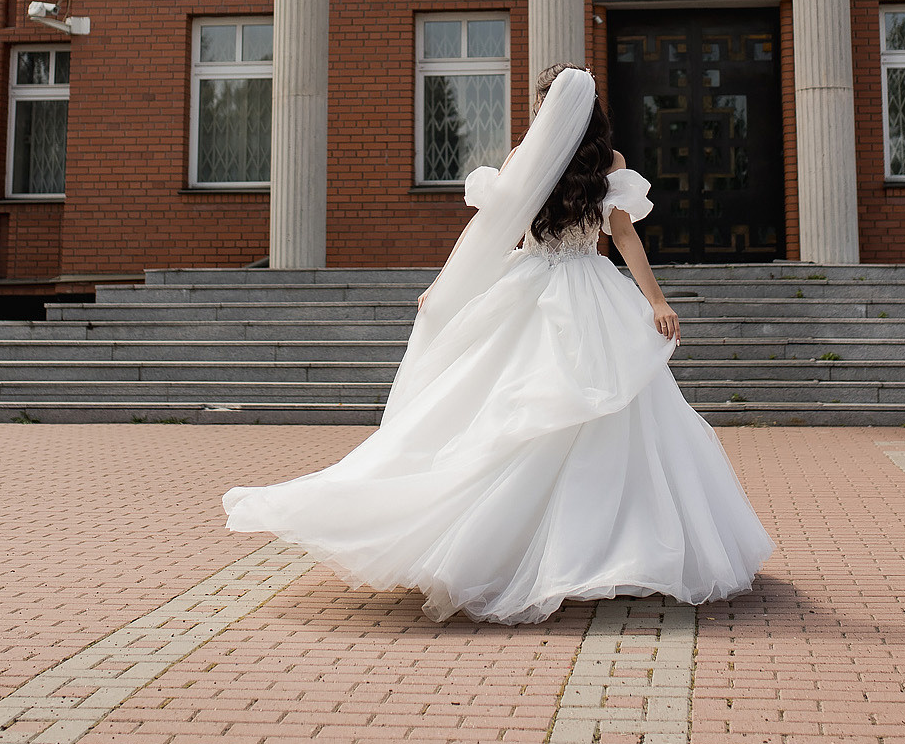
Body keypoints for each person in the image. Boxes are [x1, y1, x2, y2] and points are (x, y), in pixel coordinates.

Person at [223, 63, 773, 624]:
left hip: (532, 283)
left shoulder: (524, 159)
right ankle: (591, 550)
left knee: (524, 411)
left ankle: (539, 551)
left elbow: (490, 234)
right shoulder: (607, 164)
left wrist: (450, 287)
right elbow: (621, 235)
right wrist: (655, 300)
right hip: (588, 288)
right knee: (582, 413)